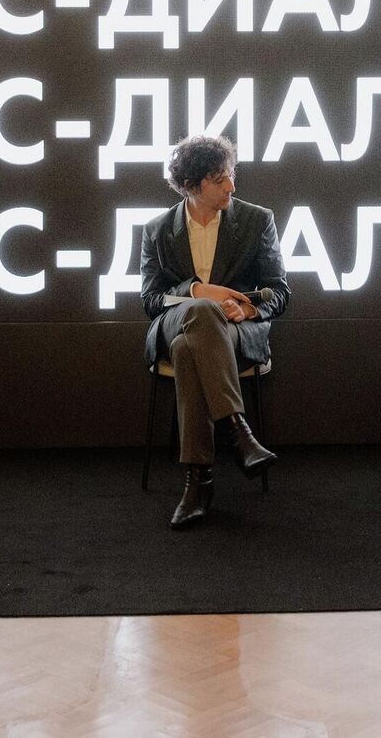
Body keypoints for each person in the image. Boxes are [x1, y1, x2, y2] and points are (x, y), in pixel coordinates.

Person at [139, 133, 289, 530]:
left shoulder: (257, 220)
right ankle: (238, 432)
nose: (231, 186)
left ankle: (199, 482)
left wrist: (249, 307)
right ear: (191, 185)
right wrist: (197, 292)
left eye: (231, 175)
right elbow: (150, 300)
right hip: (175, 322)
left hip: (233, 332)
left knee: (188, 350)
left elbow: (280, 291)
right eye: (219, 179)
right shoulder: (157, 229)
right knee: (201, 313)